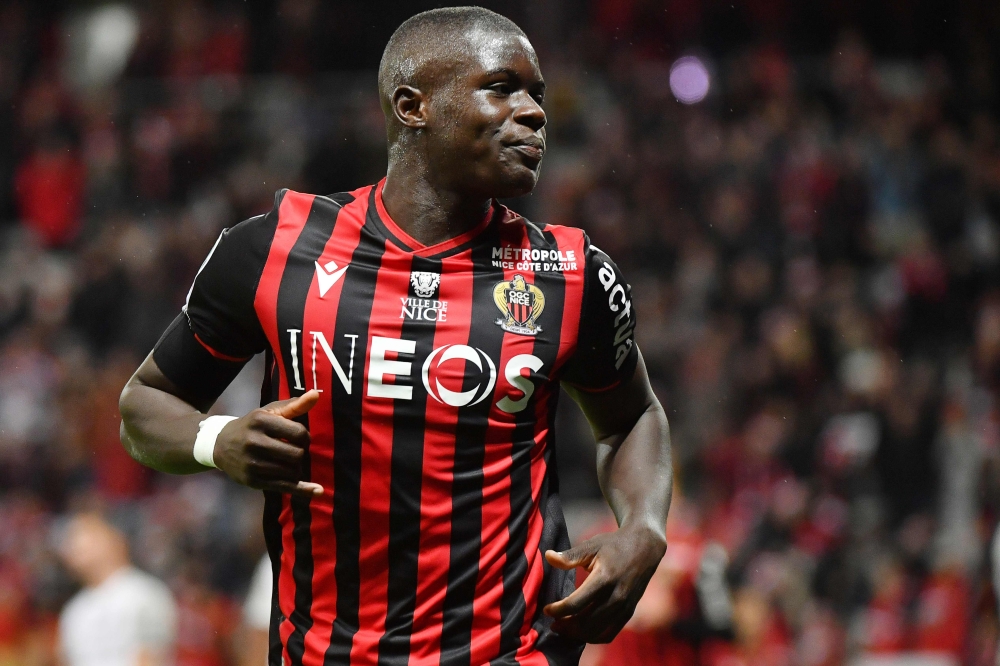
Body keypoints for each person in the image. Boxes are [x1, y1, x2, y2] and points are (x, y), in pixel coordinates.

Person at [119, 7, 673, 665]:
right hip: (324, 652)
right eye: (502, 87)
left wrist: (643, 528)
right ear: (412, 107)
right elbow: (145, 405)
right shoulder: (276, 248)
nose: (533, 113)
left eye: (537, 95)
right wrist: (216, 441)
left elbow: (632, 416)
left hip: (513, 651)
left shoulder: (571, 272)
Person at [57, 513, 177, 666]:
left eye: (86, 535)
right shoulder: (74, 610)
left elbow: (151, 658)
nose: (74, 546)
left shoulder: (144, 593)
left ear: (115, 540)